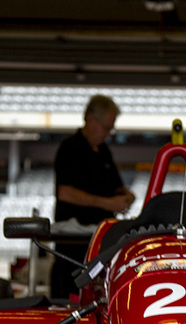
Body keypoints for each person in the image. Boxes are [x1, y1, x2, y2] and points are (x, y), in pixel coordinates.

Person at [52, 94, 135, 297]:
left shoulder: (104, 151)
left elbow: (117, 187)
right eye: (106, 128)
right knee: (71, 298)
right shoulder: (69, 148)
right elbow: (65, 193)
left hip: (101, 243)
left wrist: (127, 196)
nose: (108, 134)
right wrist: (107, 204)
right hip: (73, 246)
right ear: (90, 120)